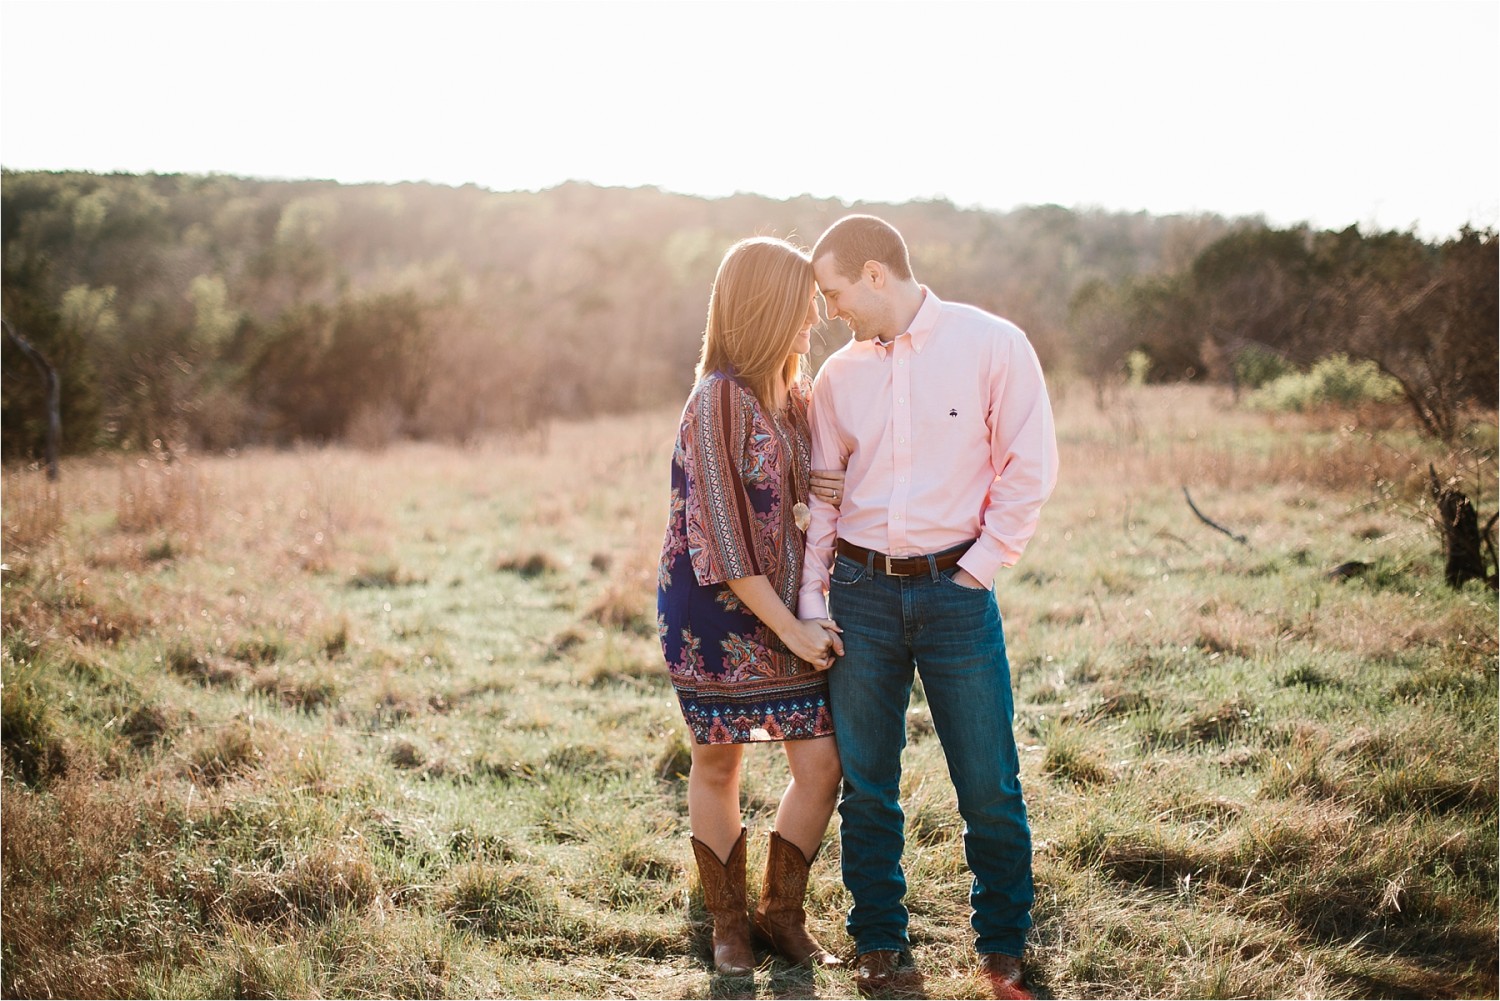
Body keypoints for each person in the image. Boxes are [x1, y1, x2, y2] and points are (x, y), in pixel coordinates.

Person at [797, 215, 1058, 998]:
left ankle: (1003, 944)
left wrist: (979, 569)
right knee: (868, 785)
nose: (831, 311)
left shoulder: (993, 345)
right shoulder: (838, 378)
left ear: (876, 274)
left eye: (836, 292)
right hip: (860, 593)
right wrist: (813, 597)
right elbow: (825, 500)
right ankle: (881, 943)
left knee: (988, 781)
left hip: (957, 593)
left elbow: (1029, 465)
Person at [658, 236, 848, 977]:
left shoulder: (798, 397)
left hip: (790, 611)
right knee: (717, 763)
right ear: (766, 310)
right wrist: (794, 629)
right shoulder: (717, 400)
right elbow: (725, 542)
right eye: (803, 308)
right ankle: (729, 925)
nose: (814, 322)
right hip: (713, 612)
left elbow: (810, 501)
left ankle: (781, 913)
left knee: (822, 765)